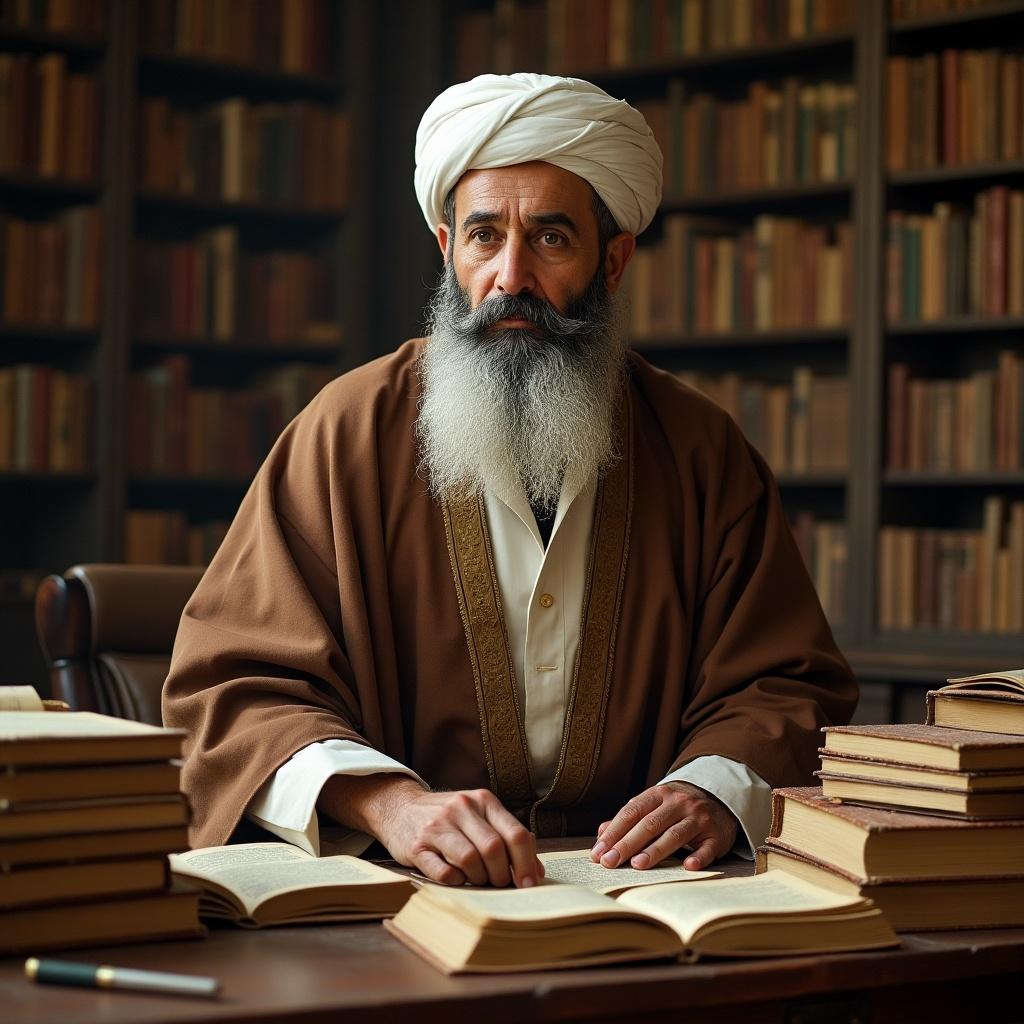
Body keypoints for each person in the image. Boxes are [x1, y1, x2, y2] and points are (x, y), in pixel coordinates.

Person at [163, 73, 857, 890]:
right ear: (447, 250)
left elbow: (786, 684)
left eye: (552, 239)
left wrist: (710, 786)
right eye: (485, 236)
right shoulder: (344, 434)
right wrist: (390, 804)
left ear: (615, 259)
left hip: (647, 893)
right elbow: (231, 689)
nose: (511, 277)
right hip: (394, 894)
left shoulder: (700, 448)